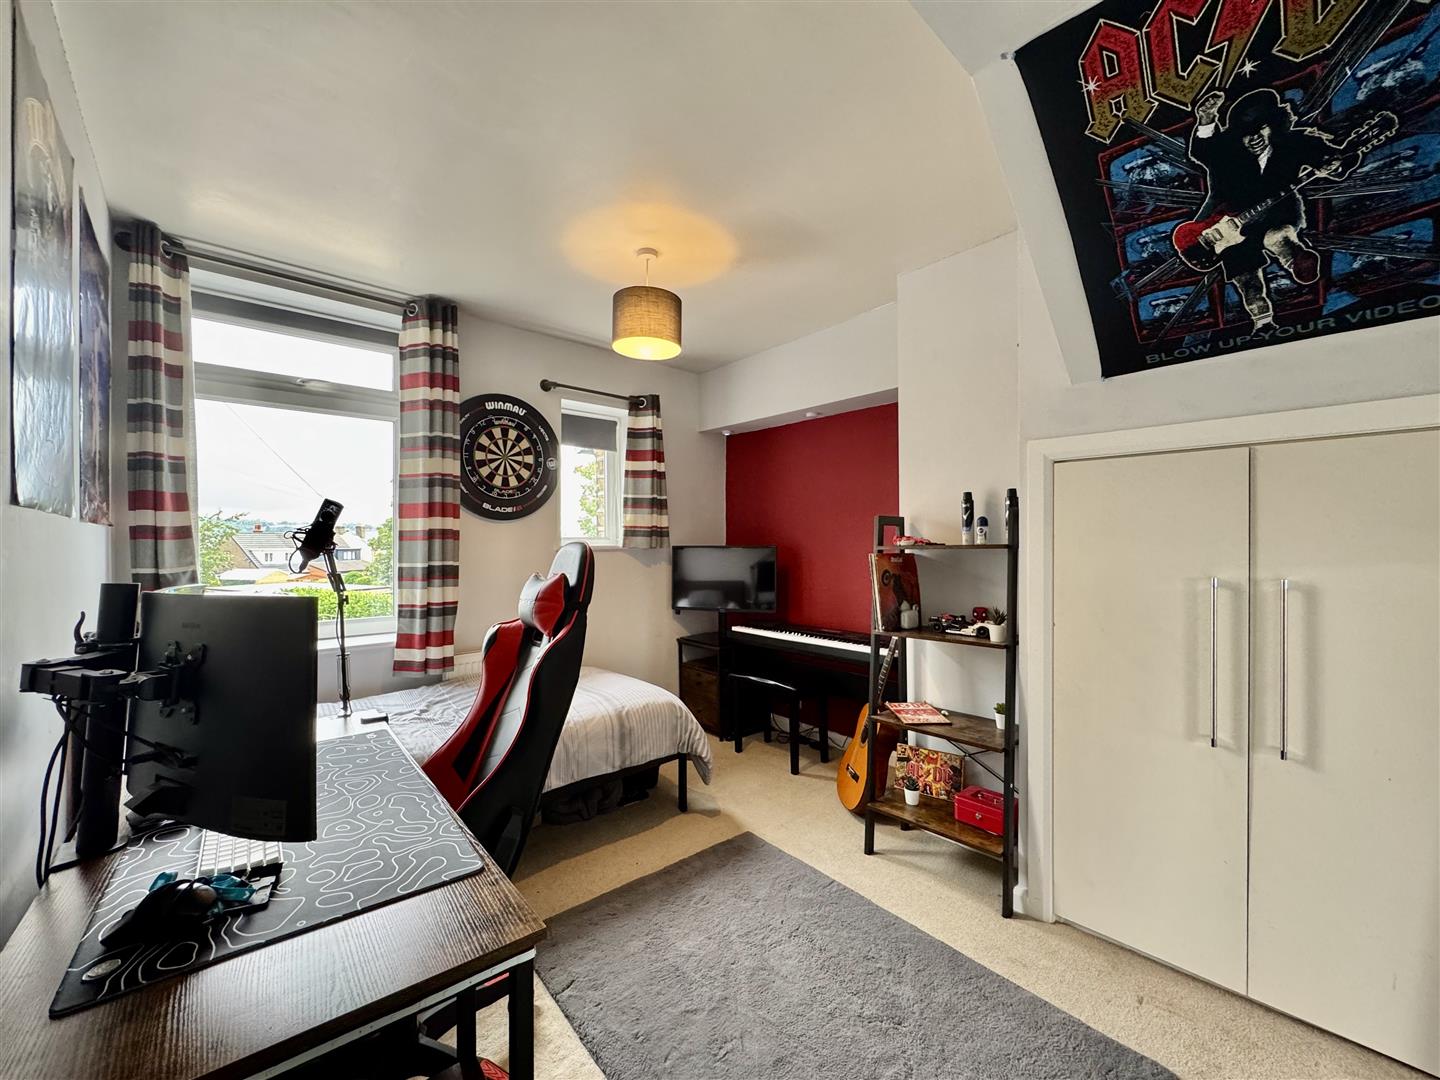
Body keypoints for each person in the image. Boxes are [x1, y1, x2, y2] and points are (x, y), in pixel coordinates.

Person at [1185, 89, 1345, 331]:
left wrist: (1334, 165)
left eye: (1260, 129)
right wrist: (1206, 119)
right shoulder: (1227, 151)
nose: (1253, 139)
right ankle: (1263, 322)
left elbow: (1332, 158)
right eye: (1245, 134)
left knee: (1278, 236)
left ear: (1274, 125)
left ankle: (1295, 258)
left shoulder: (1294, 143)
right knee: (1246, 277)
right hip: (1225, 225)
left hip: (1276, 215)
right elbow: (1201, 150)